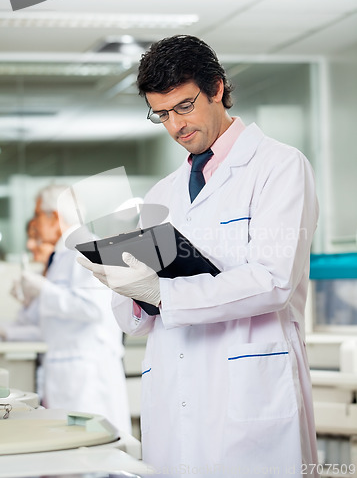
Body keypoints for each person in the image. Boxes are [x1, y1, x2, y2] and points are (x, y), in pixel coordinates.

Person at [78, 35, 319, 476]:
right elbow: (134, 319)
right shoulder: (162, 192)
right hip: (175, 391)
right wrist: (132, 292)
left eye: (185, 106)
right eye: (162, 114)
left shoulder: (279, 167)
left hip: (250, 394)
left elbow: (273, 281)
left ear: (218, 89)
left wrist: (166, 295)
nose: (175, 126)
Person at [4, 185, 132, 434]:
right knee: (73, 450)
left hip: (88, 374)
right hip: (65, 370)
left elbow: (94, 309)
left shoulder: (91, 248)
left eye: (38, 215)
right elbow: (53, 322)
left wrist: (44, 290)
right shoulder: (60, 256)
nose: (35, 223)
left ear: (55, 217)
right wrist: (30, 302)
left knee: (94, 454)